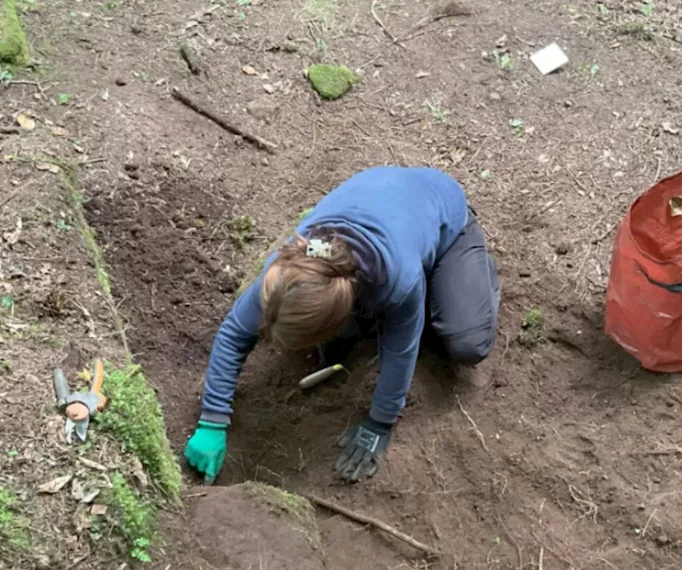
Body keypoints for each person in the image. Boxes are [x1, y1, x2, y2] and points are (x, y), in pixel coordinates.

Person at [184, 166, 502, 483]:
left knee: (464, 341)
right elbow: (234, 333)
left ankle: (467, 273)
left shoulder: (397, 280)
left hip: (442, 211)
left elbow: (401, 350)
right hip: (386, 199)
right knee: (338, 349)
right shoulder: (289, 269)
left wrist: (379, 423)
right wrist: (212, 421)